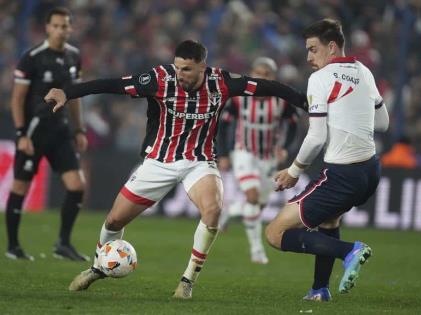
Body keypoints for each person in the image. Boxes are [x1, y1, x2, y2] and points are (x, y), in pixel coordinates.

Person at [44, 40, 308, 299]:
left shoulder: (222, 82)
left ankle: (187, 281)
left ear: (202, 67)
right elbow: (112, 84)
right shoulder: (159, 79)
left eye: (187, 69)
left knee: (213, 210)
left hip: (199, 162)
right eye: (178, 67)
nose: (179, 74)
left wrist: (303, 101)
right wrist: (68, 92)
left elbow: (268, 86)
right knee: (114, 220)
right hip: (159, 161)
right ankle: (97, 266)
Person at [265, 19, 389, 301]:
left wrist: (294, 171)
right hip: (370, 171)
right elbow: (383, 123)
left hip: (342, 174)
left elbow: (316, 136)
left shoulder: (320, 78)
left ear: (331, 47)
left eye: (312, 49)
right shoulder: (364, 71)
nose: (308, 57)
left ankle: (350, 251)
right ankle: (320, 290)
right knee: (330, 221)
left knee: (275, 233)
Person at [5, 7, 88, 261]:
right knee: (20, 186)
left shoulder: (74, 57)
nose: (62, 30)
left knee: (77, 186)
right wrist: (21, 133)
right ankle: (13, 246)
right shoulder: (32, 57)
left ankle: (63, 243)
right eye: (57, 26)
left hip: (61, 131)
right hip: (35, 131)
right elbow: (17, 100)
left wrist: (79, 129)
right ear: (47, 28)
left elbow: (74, 98)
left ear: (70, 28)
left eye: (66, 26)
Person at [217, 57, 298, 264]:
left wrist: (285, 149)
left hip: (268, 158)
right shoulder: (238, 97)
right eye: (258, 73)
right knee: (252, 197)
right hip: (243, 152)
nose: (262, 77)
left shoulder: (282, 100)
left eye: (266, 74)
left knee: (257, 206)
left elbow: (293, 125)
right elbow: (225, 124)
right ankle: (257, 250)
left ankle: (229, 212)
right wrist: (224, 153)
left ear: (273, 77)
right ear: (251, 74)